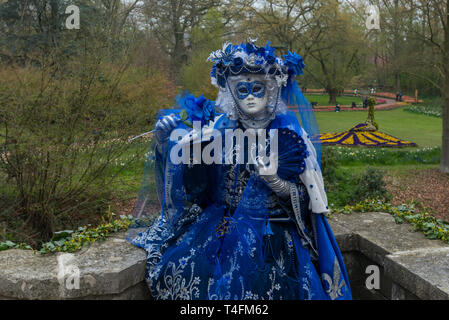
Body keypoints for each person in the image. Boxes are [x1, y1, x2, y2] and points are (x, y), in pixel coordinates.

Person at [129, 41, 352, 300]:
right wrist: (168, 141)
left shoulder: (288, 133)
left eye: (257, 88)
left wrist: (276, 182)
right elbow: (197, 190)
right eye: (242, 89)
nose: (250, 96)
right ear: (230, 92)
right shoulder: (219, 128)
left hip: (272, 233)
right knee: (194, 271)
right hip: (220, 226)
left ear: (270, 90)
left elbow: (308, 204)